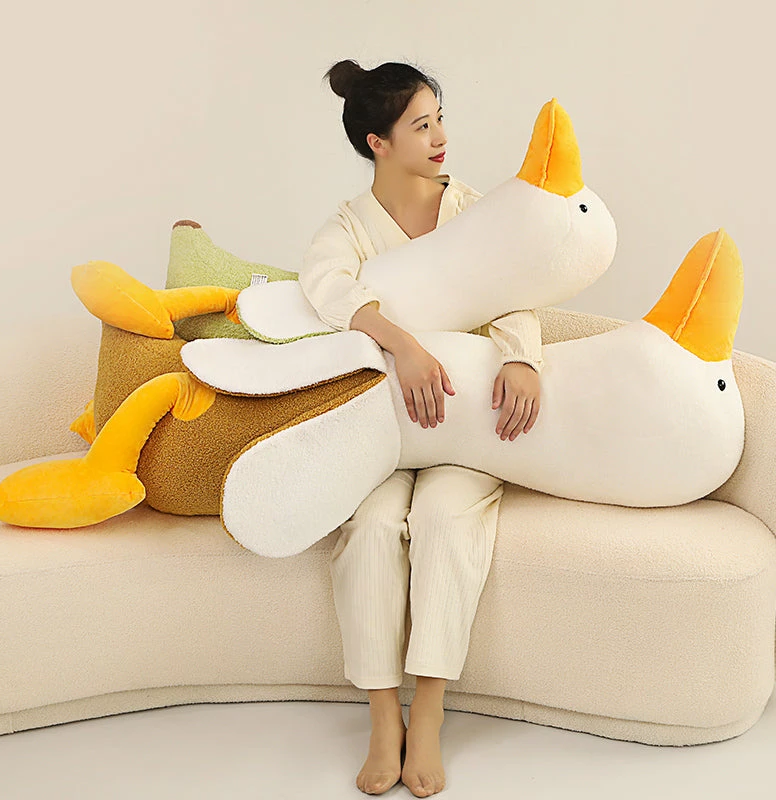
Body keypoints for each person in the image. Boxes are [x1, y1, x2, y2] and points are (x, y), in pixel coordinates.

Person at [300, 59, 544, 798]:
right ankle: (384, 719)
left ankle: (429, 714)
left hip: (464, 426)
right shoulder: (347, 227)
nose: (440, 137)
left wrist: (522, 357)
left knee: (442, 519)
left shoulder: (473, 210)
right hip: (384, 435)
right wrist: (402, 345)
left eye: (439, 119)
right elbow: (325, 288)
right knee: (373, 526)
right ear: (378, 142)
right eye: (421, 125)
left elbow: (514, 288)